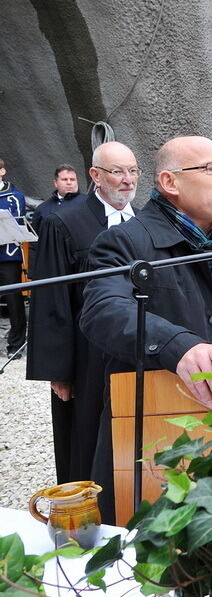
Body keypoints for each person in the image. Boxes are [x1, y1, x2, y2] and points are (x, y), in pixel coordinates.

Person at [80, 136, 212, 522]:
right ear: (171, 183)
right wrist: (177, 346)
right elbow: (102, 310)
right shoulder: (125, 242)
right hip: (159, 435)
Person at [26, 142, 138, 484]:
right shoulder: (64, 223)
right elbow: (51, 299)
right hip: (87, 356)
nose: (128, 180)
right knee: (85, 440)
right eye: (117, 172)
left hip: (135, 349)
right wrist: (59, 371)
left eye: (133, 171)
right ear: (95, 176)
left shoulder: (144, 222)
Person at [0, 157, 28, 358]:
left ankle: (16, 345)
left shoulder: (14, 196)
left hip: (7, 254)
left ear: (2, 171)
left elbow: (17, 223)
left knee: (13, 299)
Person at [31, 165, 87, 249]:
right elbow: (35, 241)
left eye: (72, 179)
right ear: (55, 183)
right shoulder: (42, 209)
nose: (69, 182)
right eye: (64, 179)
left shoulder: (88, 203)